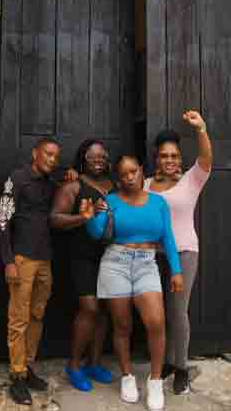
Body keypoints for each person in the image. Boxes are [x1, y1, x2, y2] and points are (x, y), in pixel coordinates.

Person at [79, 155, 183, 411]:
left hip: (147, 264)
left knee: (155, 322)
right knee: (122, 325)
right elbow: (96, 233)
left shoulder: (158, 202)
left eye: (133, 172)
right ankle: (127, 376)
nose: (129, 178)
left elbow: (168, 237)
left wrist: (176, 271)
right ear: (118, 178)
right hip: (116, 263)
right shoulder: (110, 201)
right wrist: (89, 217)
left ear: (141, 171)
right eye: (123, 174)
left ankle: (155, 380)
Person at [146, 110, 213, 395]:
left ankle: (181, 368)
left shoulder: (191, 180)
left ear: (179, 158)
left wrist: (201, 130)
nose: (169, 160)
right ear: (157, 158)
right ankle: (166, 363)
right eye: (164, 155)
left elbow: (207, 159)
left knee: (177, 311)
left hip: (184, 253)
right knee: (157, 313)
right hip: (151, 256)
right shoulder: (146, 184)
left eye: (173, 155)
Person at [0, 137, 62, 406]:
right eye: (48, 154)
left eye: (56, 157)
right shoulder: (17, 178)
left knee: (37, 315)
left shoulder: (50, 184)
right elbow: (2, 219)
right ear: (35, 153)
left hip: (45, 259)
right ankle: (16, 375)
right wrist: (8, 260)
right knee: (18, 318)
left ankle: (27, 365)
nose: (52, 160)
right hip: (22, 259)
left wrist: (72, 176)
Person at [49, 139, 115, 392]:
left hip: (110, 256)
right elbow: (54, 218)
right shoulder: (74, 185)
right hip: (81, 256)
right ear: (82, 159)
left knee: (105, 310)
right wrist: (83, 217)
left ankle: (94, 363)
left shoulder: (115, 185)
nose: (98, 160)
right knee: (89, 308)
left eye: (102, 156)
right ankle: (74, 365)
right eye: (92, 157)